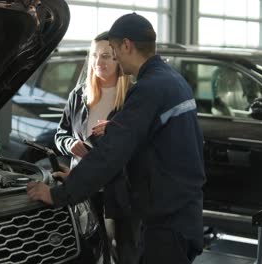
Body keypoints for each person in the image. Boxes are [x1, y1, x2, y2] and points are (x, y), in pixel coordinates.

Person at [27, 13, 205, 264]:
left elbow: (111, 154)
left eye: (112, 50)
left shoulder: (148, 88)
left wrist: (58, 195)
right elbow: (150, 143)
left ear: (127, 45)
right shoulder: (172, 80)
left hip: (167, 220)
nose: (114, 58)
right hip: (182, 210)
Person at [54, 31, 140, 264]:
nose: (98, 62)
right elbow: (60, 133)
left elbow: (141, 143)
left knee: (123, 254)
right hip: (83, 189)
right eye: (94, 55)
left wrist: (115, 128)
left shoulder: (133, 97)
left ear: (118, 60)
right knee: (86, 254)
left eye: (106, 56)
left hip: (119, 193)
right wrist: (69, 143)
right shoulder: (79, 95)